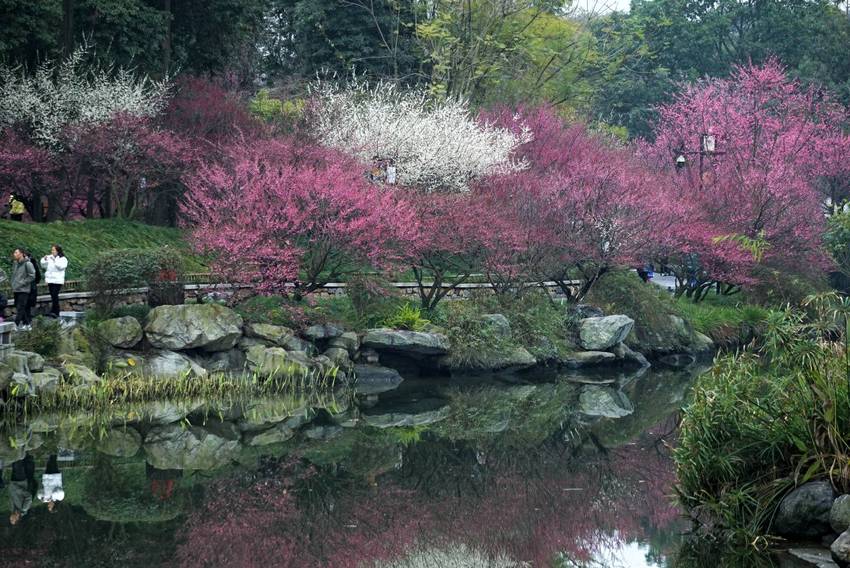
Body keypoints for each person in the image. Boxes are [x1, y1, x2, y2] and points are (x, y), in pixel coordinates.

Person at [10, 248, 35, 330]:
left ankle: (15, 325)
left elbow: (32, 276)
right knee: (19, 307)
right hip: (16, 289)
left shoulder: (28, 264)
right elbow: (14, 275)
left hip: (24, 290)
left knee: (21, 307)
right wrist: (13, 284)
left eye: (16, 252)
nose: (14, 254)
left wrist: (22, 283)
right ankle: (27, 324)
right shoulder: (15, 263)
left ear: (21, 254)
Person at [41, 245, 67, 318]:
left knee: (55, 295)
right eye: (52, 250)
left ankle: (56, 311)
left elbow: (61, 267)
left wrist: (54, 260)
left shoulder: (63, 259)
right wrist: (45, 259)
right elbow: (43, 265)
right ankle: (54, 311)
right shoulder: (50, 257)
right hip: (50, 279)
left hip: (58, 280)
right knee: (52, 295)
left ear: (58, 251)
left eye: (54, 250)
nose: (52, 252)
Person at [9, 454, 35, 525]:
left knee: (15, 463)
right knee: (18, 462)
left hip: (13, 482)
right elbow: (29, 496)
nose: (10, 518)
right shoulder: (24, 508)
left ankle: (20, 448)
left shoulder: (12, 509)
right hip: (20, 482)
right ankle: (18, 446)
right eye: (12, 520)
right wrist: (19, 490)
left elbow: (12, 496)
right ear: (17, 519)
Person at [25, 250, 41, 322]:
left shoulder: (31, 263)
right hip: (28, 286)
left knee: (27, 303)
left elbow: (37, 274)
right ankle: (27, 319)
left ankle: (27, 320)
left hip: (30, 286)